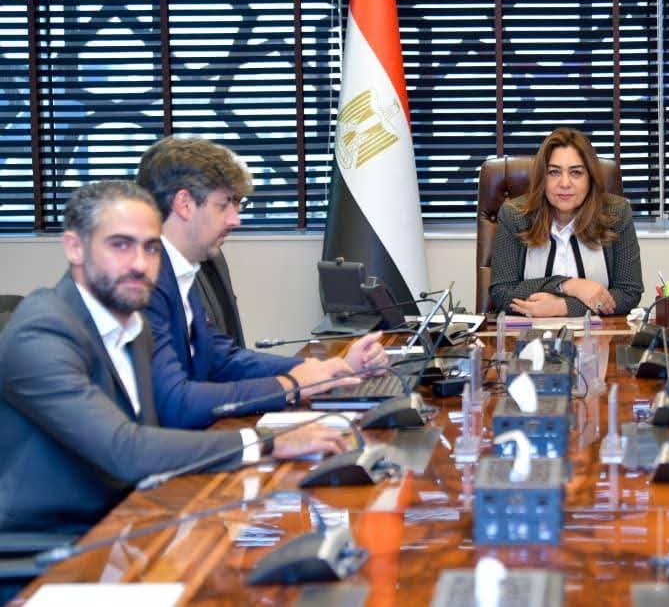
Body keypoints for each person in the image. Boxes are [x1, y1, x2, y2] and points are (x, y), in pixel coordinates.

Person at [0, 181, 349, 540]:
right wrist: (269, 441)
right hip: (49, 545)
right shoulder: (41, 332)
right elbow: (127, 450)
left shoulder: (133, 323)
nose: (140, 264)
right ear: (75, 247)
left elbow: (155, 435)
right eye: (120, 245)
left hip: (132, 517)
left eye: (151, 248)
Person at [136, 136, 387, 429]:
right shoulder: (142, 283)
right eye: (223, 205)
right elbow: (175, 404)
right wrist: (289, 385)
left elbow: (220, 359)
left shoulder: (182, 267)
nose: (235, 220)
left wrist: (328, 369)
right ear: (184, 204)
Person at [489, 127, 644, 317]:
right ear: (542, 177)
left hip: (599, 333)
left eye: (576, 172)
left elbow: (628, 293)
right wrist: (569, 285)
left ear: (590, 177)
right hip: (530, 334)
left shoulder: (616, 213)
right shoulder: (515, 216)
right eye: (554, 172)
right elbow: (502, 293)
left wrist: (562, 307)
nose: (564, 183)